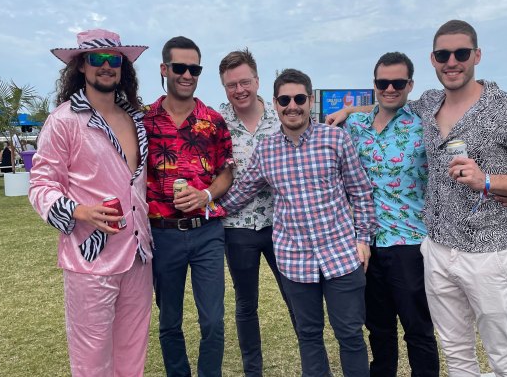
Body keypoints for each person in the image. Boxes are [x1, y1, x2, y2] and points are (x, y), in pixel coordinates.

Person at [409, 19, 507, 376]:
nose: (452, 61)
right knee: (457, 354)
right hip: (438, 248)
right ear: (432, 59)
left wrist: (489, 181)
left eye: (461, 53)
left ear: (477, 55)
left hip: (490, 254)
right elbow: (389, 103)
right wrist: (347, 111)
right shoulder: (429, 104)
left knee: (503, 356)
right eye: (442, 54)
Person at [221, 69, 375, 377]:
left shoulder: (336, 139)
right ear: (276, 103)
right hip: (295, 260)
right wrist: (204, 206)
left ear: (310, 99)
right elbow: (240, 193)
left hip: (341, 255)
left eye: (299, 99)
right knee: (309, 336)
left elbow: (360, 192)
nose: (293, 106)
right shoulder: (266, 150)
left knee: (350, 336)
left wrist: (363, 240)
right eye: (285, 100)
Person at [28, 29, 153, 376]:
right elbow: (40, 183)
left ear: (122, 67)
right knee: (91, 359)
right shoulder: (64, 120)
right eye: (97, 59)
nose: (106, 66)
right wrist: (79, 211)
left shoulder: (135, 118)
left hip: (138, 255)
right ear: (82, 66)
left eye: (114, 59)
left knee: (132, 350)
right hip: (91, 257)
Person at [343, 52, 439, 376]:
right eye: (383, 83)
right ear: (374, 85)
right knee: (379, 331)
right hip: (366, 245)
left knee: (418, 330)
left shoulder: (425, 124)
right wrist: (346, 109)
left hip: (410, 243)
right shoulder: (356, 125)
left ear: (410, 84)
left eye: (398, 82)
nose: (390, 88)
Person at [144, 36, 234, 377]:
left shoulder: (212, 120)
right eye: (180, 67)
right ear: (165, 69)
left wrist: (206, 195)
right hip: (162, 234)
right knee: (169, 321)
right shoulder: (144, 121)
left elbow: (227, 171)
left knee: (212, 320)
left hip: (206, 232)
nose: (187, 75)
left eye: (194, 68)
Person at [218, 49, 296, 376]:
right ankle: (254, 370)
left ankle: (315, 360)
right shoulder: (216, 121)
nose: (239, 90)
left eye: (245, 81)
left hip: (282, 224)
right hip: (236, 228)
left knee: (297, 296)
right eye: (231, 84)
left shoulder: (283, 115)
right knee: (246, 304)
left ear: (257, 80)